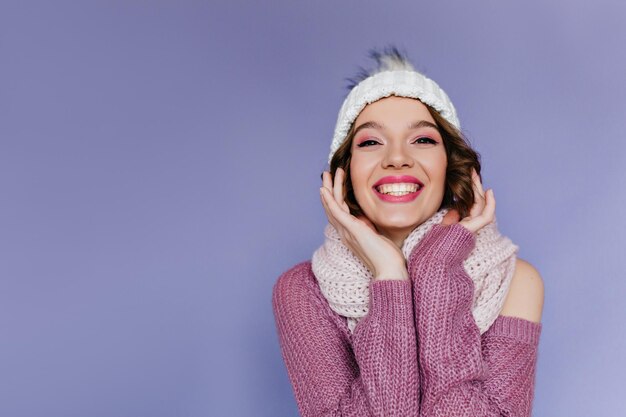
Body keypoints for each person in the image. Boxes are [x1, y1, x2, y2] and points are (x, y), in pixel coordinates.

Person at [272, 45, 544, 417]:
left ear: (451, 165)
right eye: (370, 142)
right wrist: (390, 277)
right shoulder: (302, 290)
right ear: (344, 175)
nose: (397, 157)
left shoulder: (513, 282)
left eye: (423, 139)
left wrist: (436, 273)